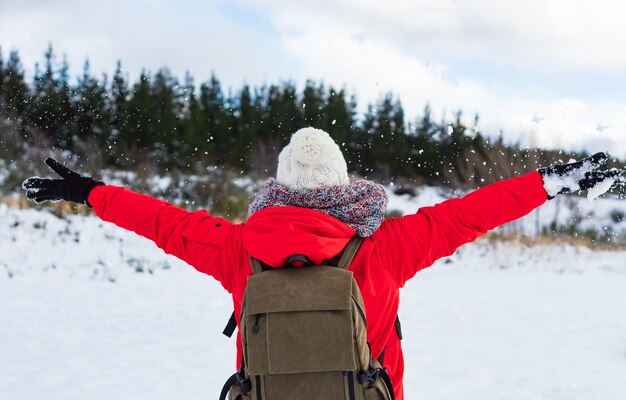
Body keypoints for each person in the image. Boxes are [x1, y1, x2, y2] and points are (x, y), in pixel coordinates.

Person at [22, 127, 626, 399]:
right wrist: (551, 181)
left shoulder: (237, 248)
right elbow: (468, 214)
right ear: (345, 187)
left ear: (278, 188)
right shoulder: (387, 246)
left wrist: (90, 193)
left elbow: (163, 221)